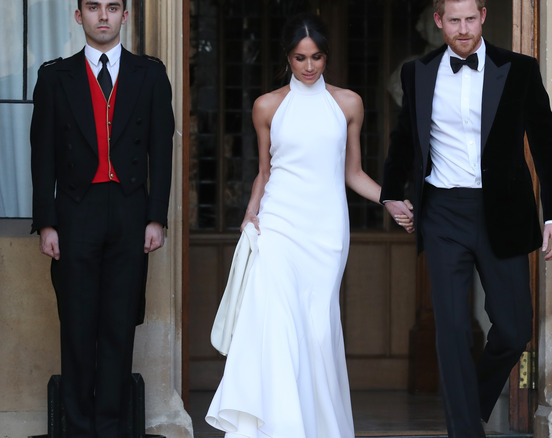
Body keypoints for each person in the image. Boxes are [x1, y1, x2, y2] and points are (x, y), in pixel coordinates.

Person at [206, 12, 412, 438]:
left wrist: (389, 199)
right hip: (278, 226)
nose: (309, 66)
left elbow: (352, 173)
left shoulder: (348, 103)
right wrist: (250, 215)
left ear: (326, 57)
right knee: (277, 324)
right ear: (288, 58)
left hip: (326, 232)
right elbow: (264, 172)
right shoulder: (266, 105)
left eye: (317, 56)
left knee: (317, 331)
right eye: (300, 58)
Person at [380, 0, 552, 435]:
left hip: (502, 212)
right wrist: (391, 195)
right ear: (438, 21)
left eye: (470, 19)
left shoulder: (519, 69)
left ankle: (474, 401)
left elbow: (546, 143)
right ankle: (465, 429)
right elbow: (404, 139)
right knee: (450, 331)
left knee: (514, 328)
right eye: (454, 21)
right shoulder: (418, 72)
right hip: (443, 214)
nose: (463, 29)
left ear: (483, 16)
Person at [29, 0, 174, 436]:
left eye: (113, 7)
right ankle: (76, 428)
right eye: (93, 7)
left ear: (125, 16)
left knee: (117, 325)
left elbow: (161, 152)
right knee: (76, 326)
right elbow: (42, 156)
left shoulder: (150, 75)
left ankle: (110, 428)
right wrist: (47, 221)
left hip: (130, 213)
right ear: (79, 16)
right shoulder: (55, 77)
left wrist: (156, 217)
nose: (103, 16)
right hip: (75, 212)